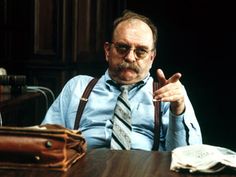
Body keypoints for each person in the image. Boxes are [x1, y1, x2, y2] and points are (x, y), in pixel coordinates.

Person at [42, 9, 202, 151]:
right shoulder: (78, 87)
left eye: (141, 51)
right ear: (107, 51)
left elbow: (187, 159)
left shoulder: (168, 94)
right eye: (122, 48)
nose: (130, 57)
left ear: (152, 58)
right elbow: (45, 143)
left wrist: (178, 109)